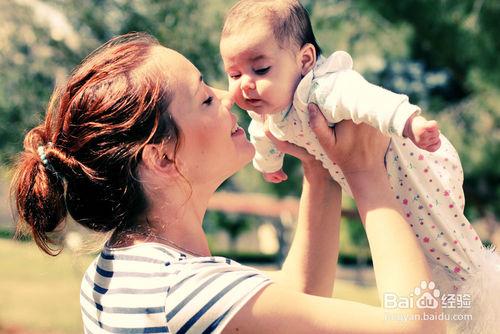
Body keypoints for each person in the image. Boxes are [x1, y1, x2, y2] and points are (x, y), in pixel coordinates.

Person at [11, 33, 445, 333]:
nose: (230, 95)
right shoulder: (182, 292)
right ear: (160, 156)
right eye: (204, 97)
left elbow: (285, 307)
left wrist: (319, 167)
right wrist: (364, 172)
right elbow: (418, 326)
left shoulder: (116, 274)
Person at [220, 1, 500, 332]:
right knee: (417, 252)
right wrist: (267, 163)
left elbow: (369, 100)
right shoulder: (265, 110)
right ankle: (453, 307)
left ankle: (486, 306)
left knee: (444, 240)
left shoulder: (325, 87)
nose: (246, 85)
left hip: (413, 169)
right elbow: (262, 135)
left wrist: (410, 122)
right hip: (374, 179)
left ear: (305, 60)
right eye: (234, 74)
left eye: (260, 70)